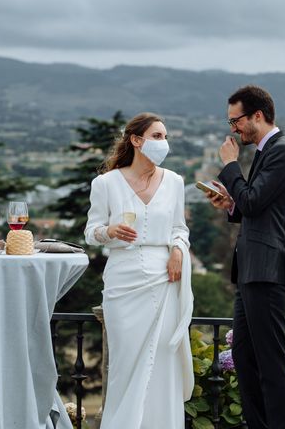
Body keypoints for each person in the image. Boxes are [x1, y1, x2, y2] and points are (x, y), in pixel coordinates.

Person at [84, 113, 194, 429]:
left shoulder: (174, 181)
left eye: (165, 136)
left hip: (165, 280)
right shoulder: (105, 183)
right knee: (125, 363)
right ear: (136, 140)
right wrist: (111, 231)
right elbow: (91, 231)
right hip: (123, 281)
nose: (164, 143)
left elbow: (180, 227)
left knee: (162, 362)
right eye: (157, 136)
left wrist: (177, 249)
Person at [205, 85, 285, 429]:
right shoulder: (264, 151)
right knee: (245, 359)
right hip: (251, 271)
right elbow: (253, 205)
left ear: (257, 115)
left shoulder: (283, 151)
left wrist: (230, 165)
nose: (233, 128)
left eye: (236, 120)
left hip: (269, 270)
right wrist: (231, 203)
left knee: (272, 363)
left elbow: (254, 201)